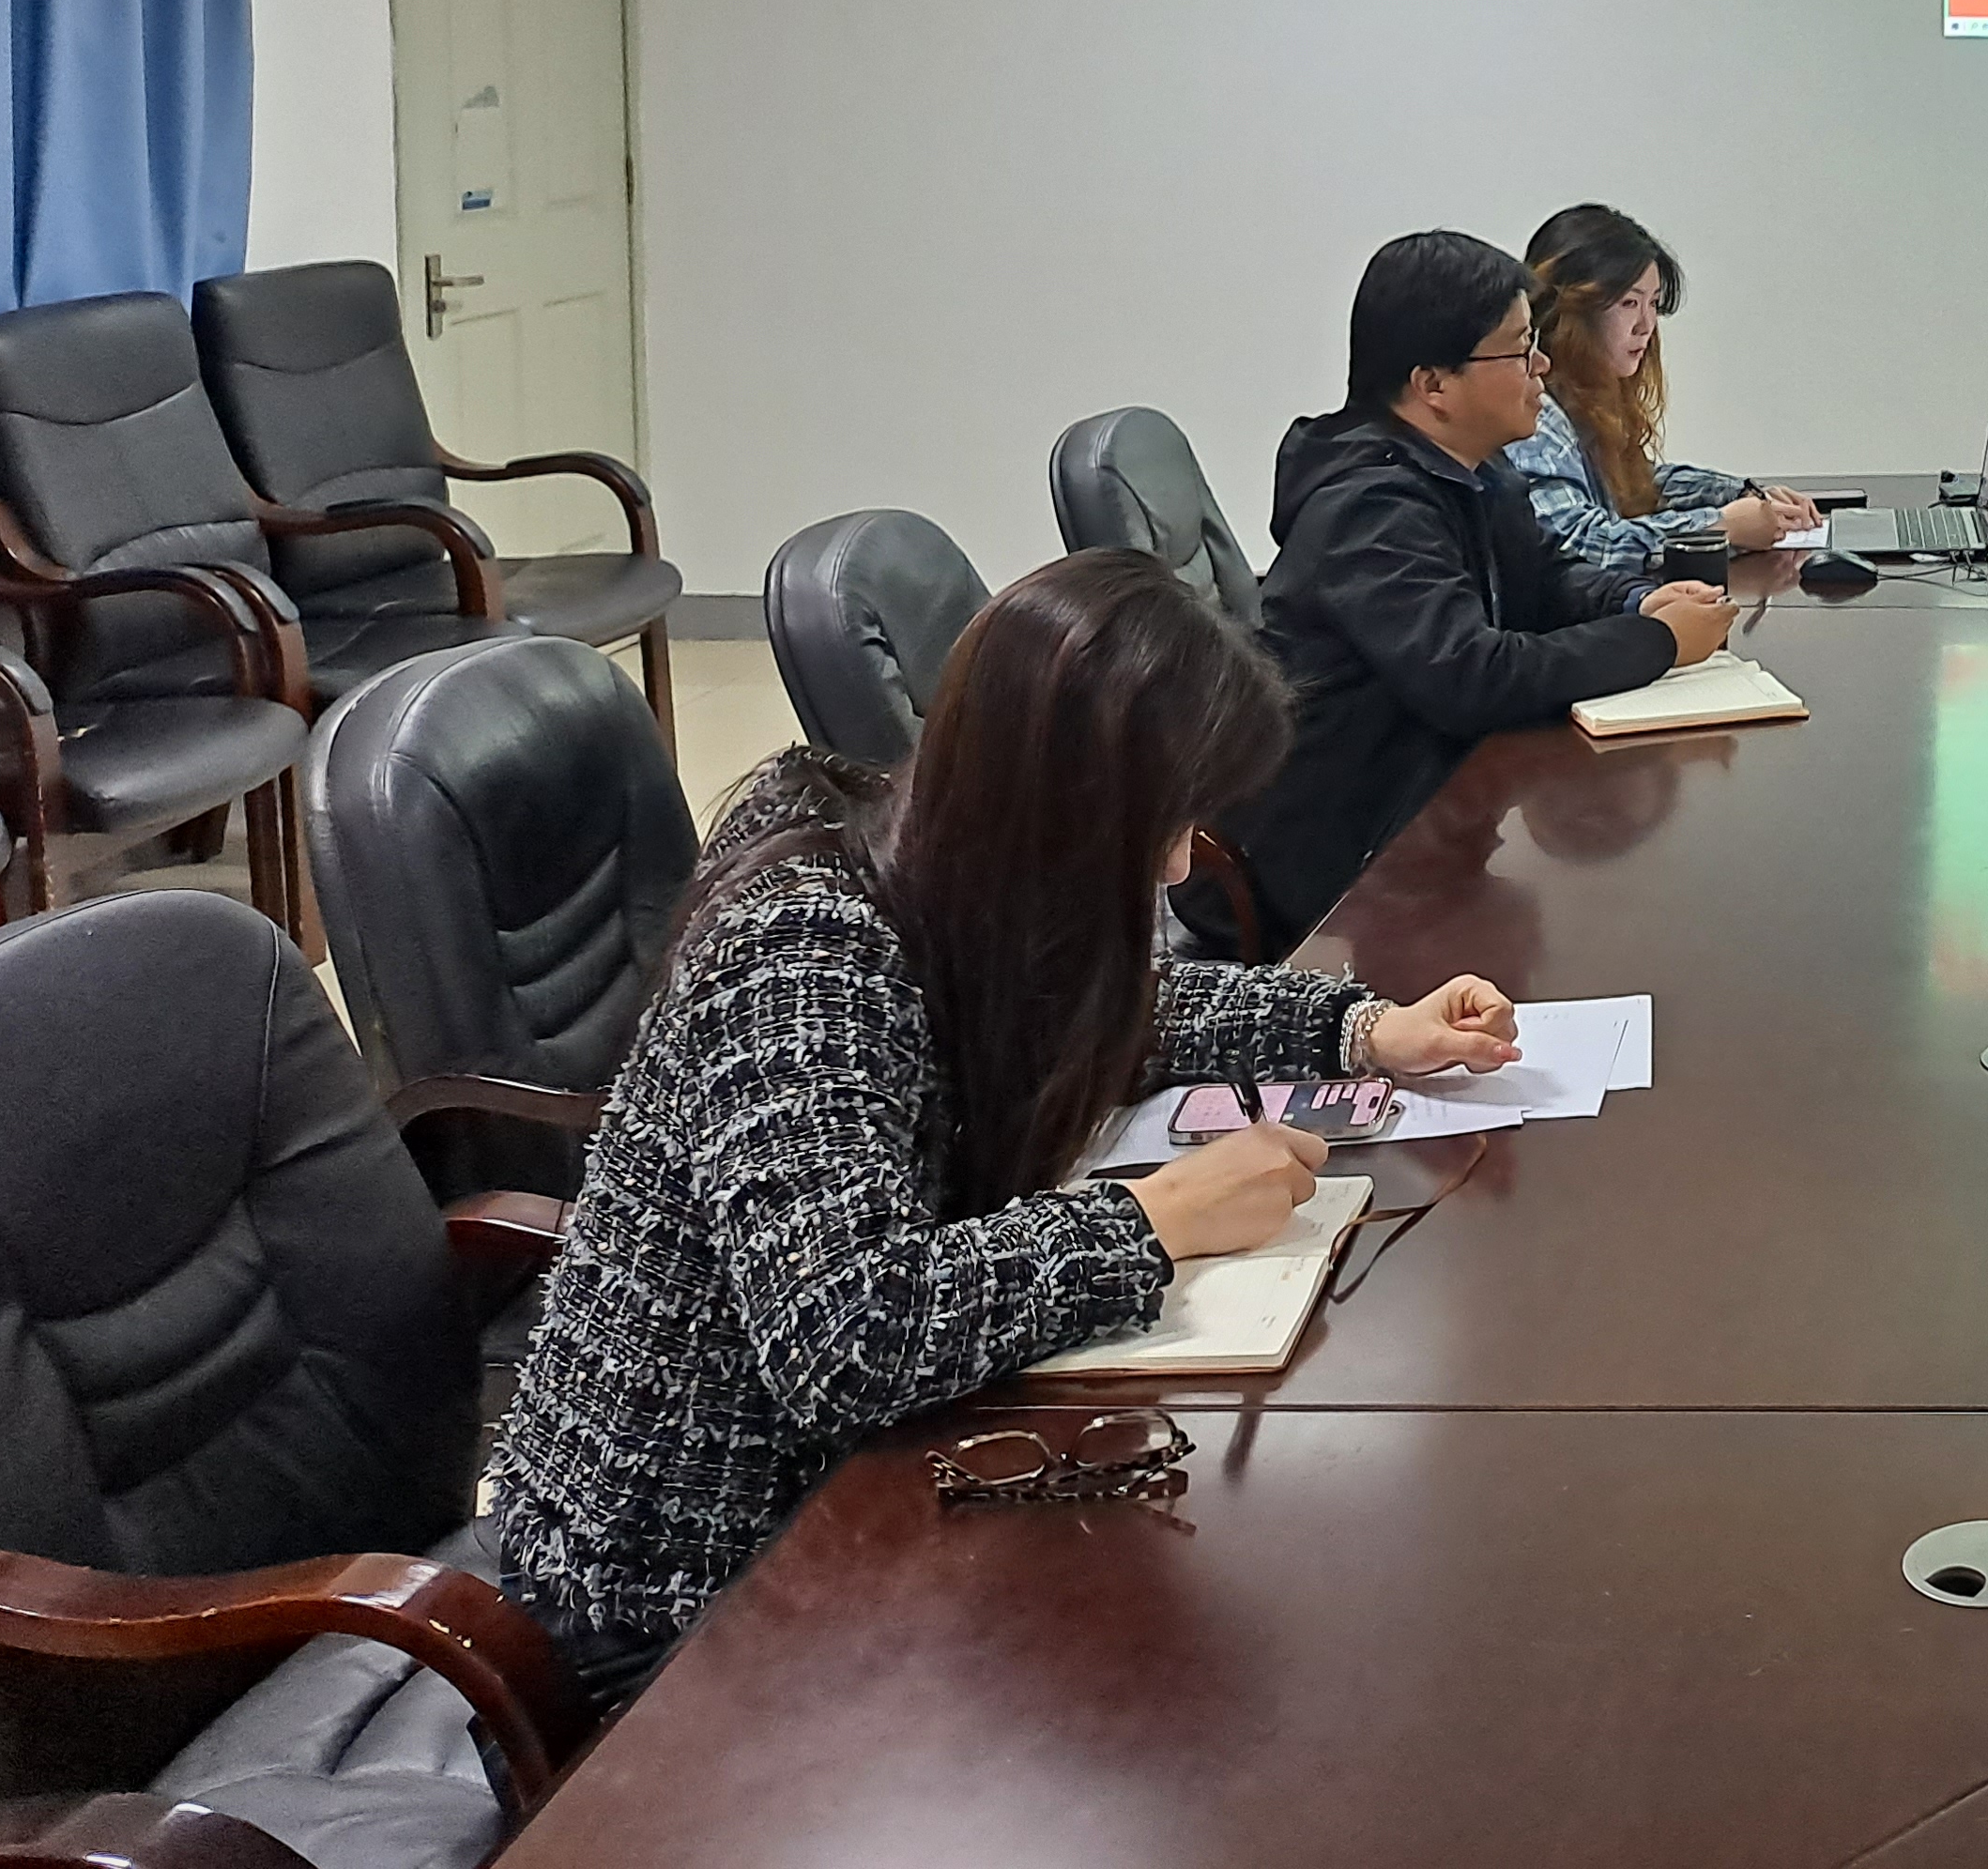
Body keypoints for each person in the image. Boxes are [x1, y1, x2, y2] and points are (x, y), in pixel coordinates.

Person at [488, 549, 1526, 1705]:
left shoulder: (948, 864)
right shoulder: (802, 951)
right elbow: (847, 1332)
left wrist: (1360, 1029)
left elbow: (1103, 1008)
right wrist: (1146, 1223)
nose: (1179, 863)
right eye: (1165, 825)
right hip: (676, 1588)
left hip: (857, 1485)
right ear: (1072, 802)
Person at [1193, 227, 1734, 956]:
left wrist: (1637, 603)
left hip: (1425, 814)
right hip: (1330, 863)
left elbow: (1546, 579)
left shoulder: (1475, 470)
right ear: (1434, 385)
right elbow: (1472, 678)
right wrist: (1658, 641)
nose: (1542, 365)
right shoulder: (1370, 509)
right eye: (1519, 349)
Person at [1507, 203, 1821, 575]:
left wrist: (1741, 494)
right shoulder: (1536, 413)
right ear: (1572, 312)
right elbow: (1579, 540)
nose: (1646, 325)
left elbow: (1638, 485)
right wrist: (1719, 527)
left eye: (1653, 303)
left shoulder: (1583, 400)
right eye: (1629, 303)